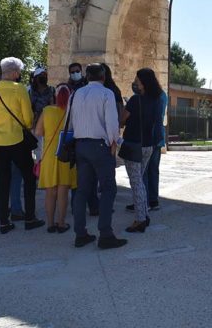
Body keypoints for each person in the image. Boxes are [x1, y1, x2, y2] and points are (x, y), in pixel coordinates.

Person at [68, 63, 126, 249]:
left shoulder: (76, 93)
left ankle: (80, 233)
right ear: (103, 76)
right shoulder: (106, 93)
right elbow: (111, 122)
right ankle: (106, 234)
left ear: (86, 76)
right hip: (100, 146)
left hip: (80, 145)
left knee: (82, 190)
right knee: (108, 188)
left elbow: (71, 119)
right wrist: (114, 142)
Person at [0, 57, 45, 233]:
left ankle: (4, 221)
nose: (19, 75)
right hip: (15, 139)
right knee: (28, 177)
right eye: (18, 72)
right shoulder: (19, 89)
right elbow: (27, 118)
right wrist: (28, 124)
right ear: (13, 72)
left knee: (3, 179)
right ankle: (30, 218)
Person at [120, 68, 163, 232]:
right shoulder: (157, 100)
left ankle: (140, 219)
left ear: (143, 83)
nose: (135, 83)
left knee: (136, 182)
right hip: (148, 145)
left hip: (133, 145)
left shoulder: (134, 100)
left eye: (137, 80)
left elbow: (122, 119)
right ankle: (144, 213)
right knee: (140, 181)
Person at [35, 84, 76, 233]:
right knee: (63, 191)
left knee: (50, 192)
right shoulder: (72, 112)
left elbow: (39, 132)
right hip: (66, 154)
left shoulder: (46, 111)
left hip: (49, 155)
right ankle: (61, 223)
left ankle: (50, 224)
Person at [144, 83, 167, 210]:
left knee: (144, 171)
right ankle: (153, 200)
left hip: (147, 138)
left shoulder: (147, 97)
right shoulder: (162, 95)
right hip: (157, 138)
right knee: (153, 170)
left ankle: (145, 200)